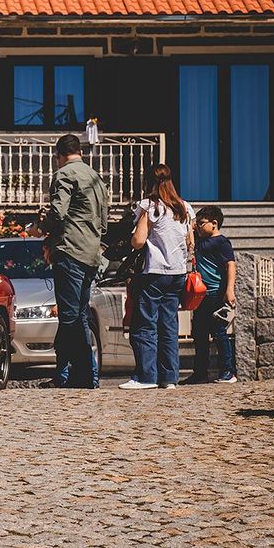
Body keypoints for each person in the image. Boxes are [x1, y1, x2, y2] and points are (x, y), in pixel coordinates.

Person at [37, 134, 109, 388]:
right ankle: (87, 374)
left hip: (70, 250)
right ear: (80, 151)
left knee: (68, 316)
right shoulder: (95, 177)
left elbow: (58, 213)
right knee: (80, 315)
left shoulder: (65, 174)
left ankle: (70, 373)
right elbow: (104, 221)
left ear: (58, 155)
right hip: (91, 252)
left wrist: (42, 226)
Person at [119, 164, 194, 390]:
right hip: (178, 273)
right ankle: (169, 378)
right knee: (169, 325)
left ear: (149, 182)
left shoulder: (150, 206)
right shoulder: (184, 208)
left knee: (145, 324)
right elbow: (190, 242)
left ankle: (146, 377)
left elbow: (138, 241)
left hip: (154, 272)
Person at [183, 206, 237, 384]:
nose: (198, 226)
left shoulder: (222, 243)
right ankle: (200, 373)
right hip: (200, 296)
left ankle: (228, 371)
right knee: (199, 334)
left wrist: (229, 290)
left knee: (219, 332)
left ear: (214, 223)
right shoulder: (199, 240)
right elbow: (189, 233)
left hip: (216, 294)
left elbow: (230, 265)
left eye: (201, 223)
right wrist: (192, 223)